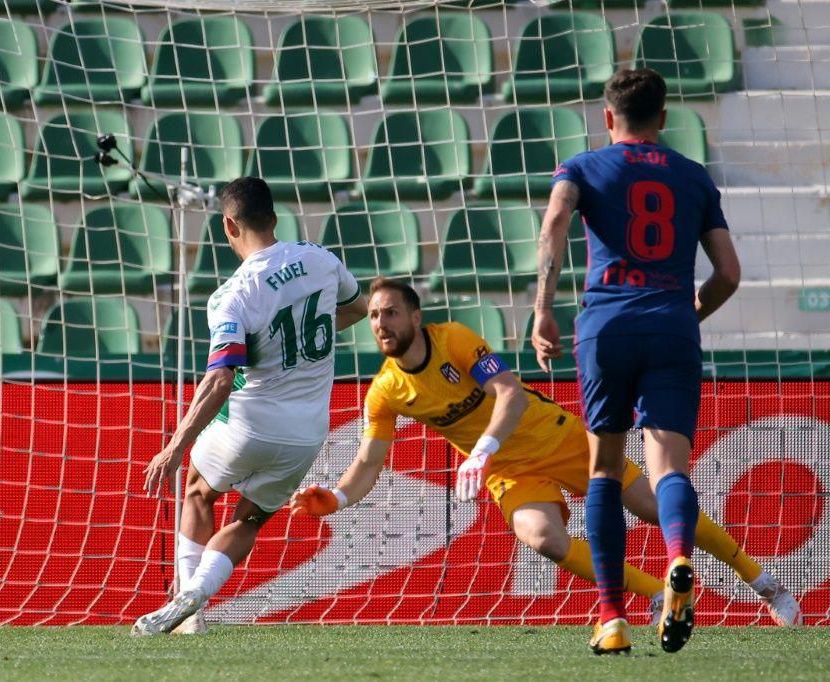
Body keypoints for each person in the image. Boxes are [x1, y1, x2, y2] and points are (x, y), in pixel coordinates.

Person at [291, 278, 798, 636]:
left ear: (416, 317)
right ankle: (655, 595)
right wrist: (335, 497)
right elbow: (369, 463)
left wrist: (481, 449)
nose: (380, 322)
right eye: (374, 315)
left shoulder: (456, 340)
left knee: (654, 507)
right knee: (542, 539)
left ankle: (764, 582)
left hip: (559, 439)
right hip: (511, 473)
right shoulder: (384, 392)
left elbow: (509, 394)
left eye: (390, 312)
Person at [532, 68, 752, 654]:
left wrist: (542, 313)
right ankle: (679, 555)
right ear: (663, 119)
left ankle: (611, 620)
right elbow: (729, 273)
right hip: (672, 326)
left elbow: (555, 220)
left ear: (609, 118)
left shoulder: (582, 167)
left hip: (605, 327)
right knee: (669, 470)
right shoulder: (694, 176)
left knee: (604, 470)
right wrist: (686, 316)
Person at [133, 177, 369, 636]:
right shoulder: (320, 259)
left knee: (199, 490)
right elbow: (357, 309)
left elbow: (220, 378)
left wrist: (176, 445)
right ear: (275, 217)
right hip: (307, 433)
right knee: (251, 518)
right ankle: (197, 594)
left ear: (228, 225)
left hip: (251, 421)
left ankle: (190, 612)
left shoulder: (231, 296)